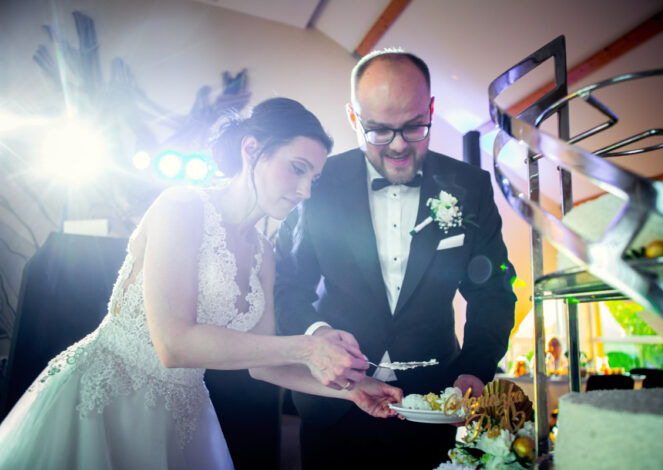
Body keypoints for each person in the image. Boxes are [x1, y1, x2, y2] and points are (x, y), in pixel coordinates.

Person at [0, 97, 402, 470]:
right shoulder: (181, 206)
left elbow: (263, 365)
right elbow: (173, 345)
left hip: (181, 414)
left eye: (314, 177)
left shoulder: (264, 253)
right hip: (106, 401)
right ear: (251, 149)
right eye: (298, 169)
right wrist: (308, 347)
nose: (306, 191)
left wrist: (352, 389)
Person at [275, 50, 517, 469]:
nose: (400, 146)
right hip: (334, 404)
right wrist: (318, 335)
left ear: (432, 109)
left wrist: (476, 368)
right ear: (353, 118)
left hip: (434, 407)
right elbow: (287, 287)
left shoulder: (470, 187)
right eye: (379, 131)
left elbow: (493, 291)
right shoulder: (317, 183)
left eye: (414, 126)